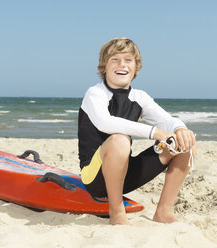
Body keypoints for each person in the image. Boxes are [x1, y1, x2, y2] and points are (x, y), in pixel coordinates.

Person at [78, 38, 196, 225]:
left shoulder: (139, 97)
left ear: (136, 68)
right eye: (114, 59)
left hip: (125, 174)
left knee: (184, 143)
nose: (121, 65)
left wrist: (180, 129)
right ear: (103, 68)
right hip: (95, 177)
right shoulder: (95, 93)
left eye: (128, 60)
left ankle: (163, 212)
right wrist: (155, 133)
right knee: (119, 139)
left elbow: (166, 120)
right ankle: (117, 213)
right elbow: (105, 122)